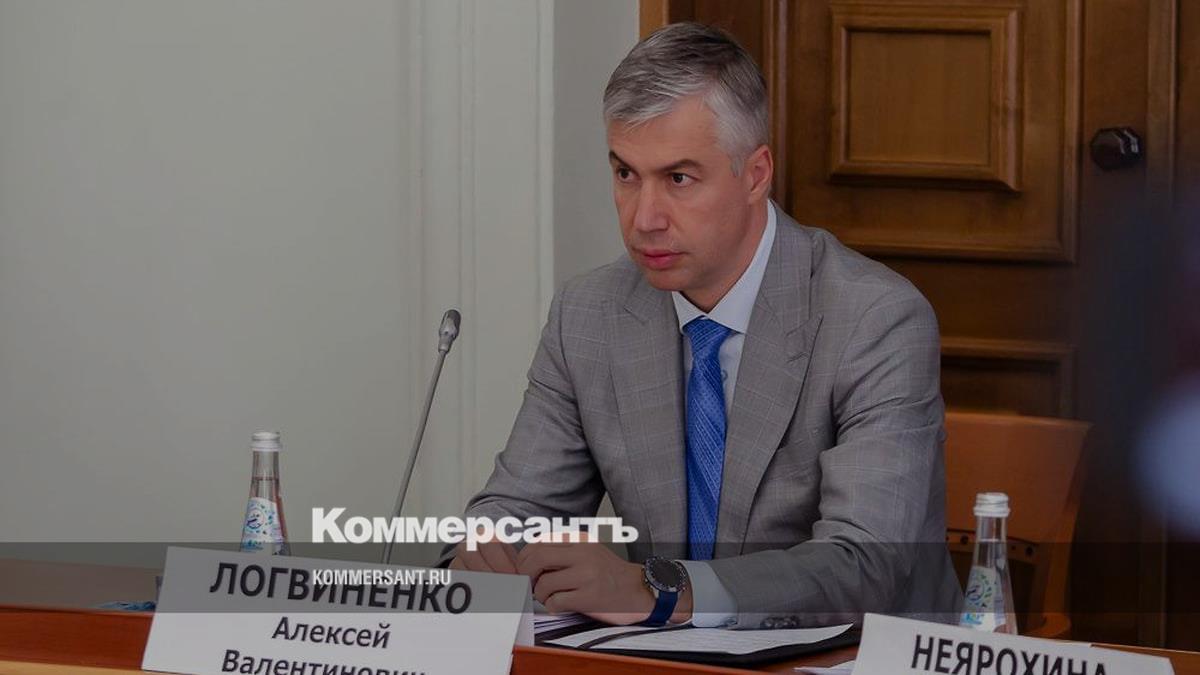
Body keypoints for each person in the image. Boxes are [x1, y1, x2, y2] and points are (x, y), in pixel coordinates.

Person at [445, 22, 962, 629]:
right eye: (625, 174)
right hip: (661, 660)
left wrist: (659, 590)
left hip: (848, 654)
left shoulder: (873, 318)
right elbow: (518, 508)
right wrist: (482, 558)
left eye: (678, 179)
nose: (644, 218)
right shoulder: (588, 314)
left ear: (756, 174)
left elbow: (864, 563)